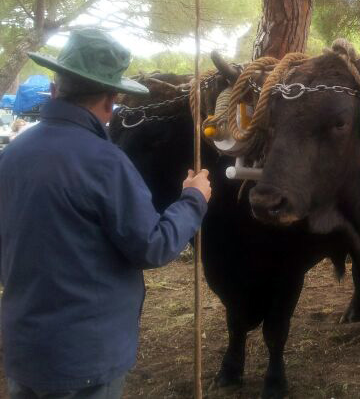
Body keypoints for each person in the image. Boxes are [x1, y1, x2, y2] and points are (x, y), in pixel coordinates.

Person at [0, 28, 212, 399]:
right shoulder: (105, 162)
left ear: (54, 89)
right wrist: (193, 199)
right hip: (85, 357)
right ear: (111, 101)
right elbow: (152, 247)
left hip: (23, 349)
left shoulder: (11, 155)